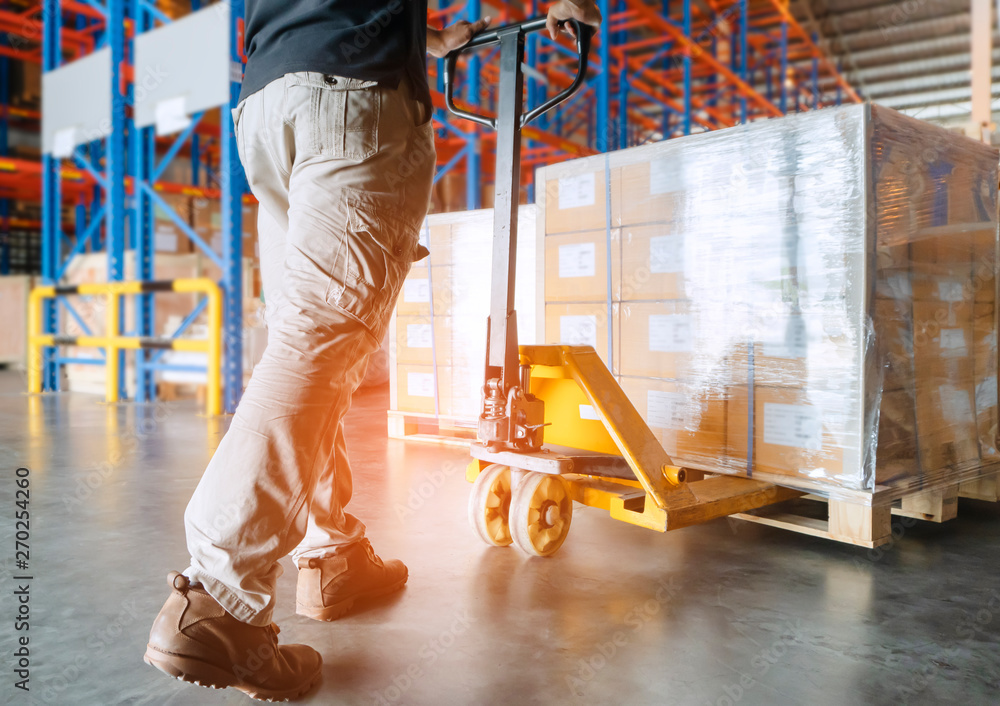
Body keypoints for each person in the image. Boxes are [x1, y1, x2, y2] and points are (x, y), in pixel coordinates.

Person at [144, 0, 602, 701]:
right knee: (316, 343)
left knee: (307, 347)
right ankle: (217, 597)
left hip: (269, 96)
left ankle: (332, 553)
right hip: (351, 96)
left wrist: (425, 33)